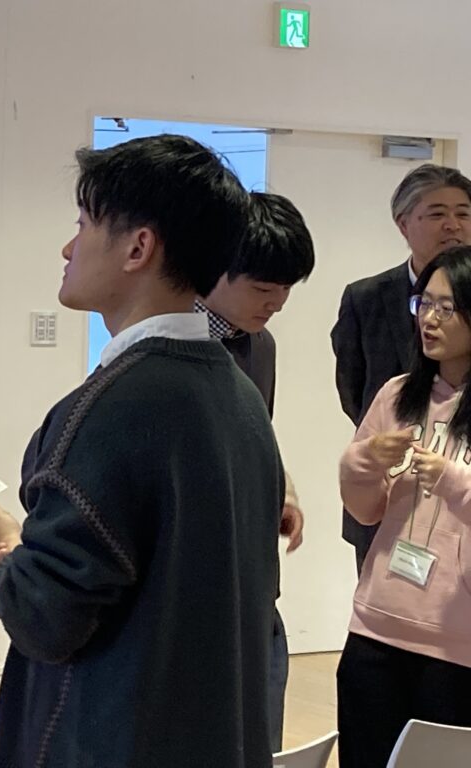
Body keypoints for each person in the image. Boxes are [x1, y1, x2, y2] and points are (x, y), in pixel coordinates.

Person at [0, 134, 283, 767]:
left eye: (83, 225)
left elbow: (47, 618)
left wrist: (0, 552)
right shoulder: (240, 397)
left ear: (138, 247)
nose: (68, 247)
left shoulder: (110, 406)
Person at [337, 245, 471, 768]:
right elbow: (364, 509)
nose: (429, 319)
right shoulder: (396, 395)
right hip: (377, 625)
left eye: (447, 307)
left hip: (457, 643)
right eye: (424, 304)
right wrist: (364, 462)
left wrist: (455, 481)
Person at [196, 190, 315, 752]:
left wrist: (280, 490)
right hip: (194, 586)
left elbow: (256, 433)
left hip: (253, 578)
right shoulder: (168, 343)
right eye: (264, 288)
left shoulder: (259, 345)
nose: (277, 303)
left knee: (259, 738)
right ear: (214, 268)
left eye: (286, 289)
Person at [332, 164, 471, 573]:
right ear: (403, 223)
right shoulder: (366, 297)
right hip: (390, 488)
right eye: (437, 214)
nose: (453, 225)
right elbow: (353, 387)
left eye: (463, 213)